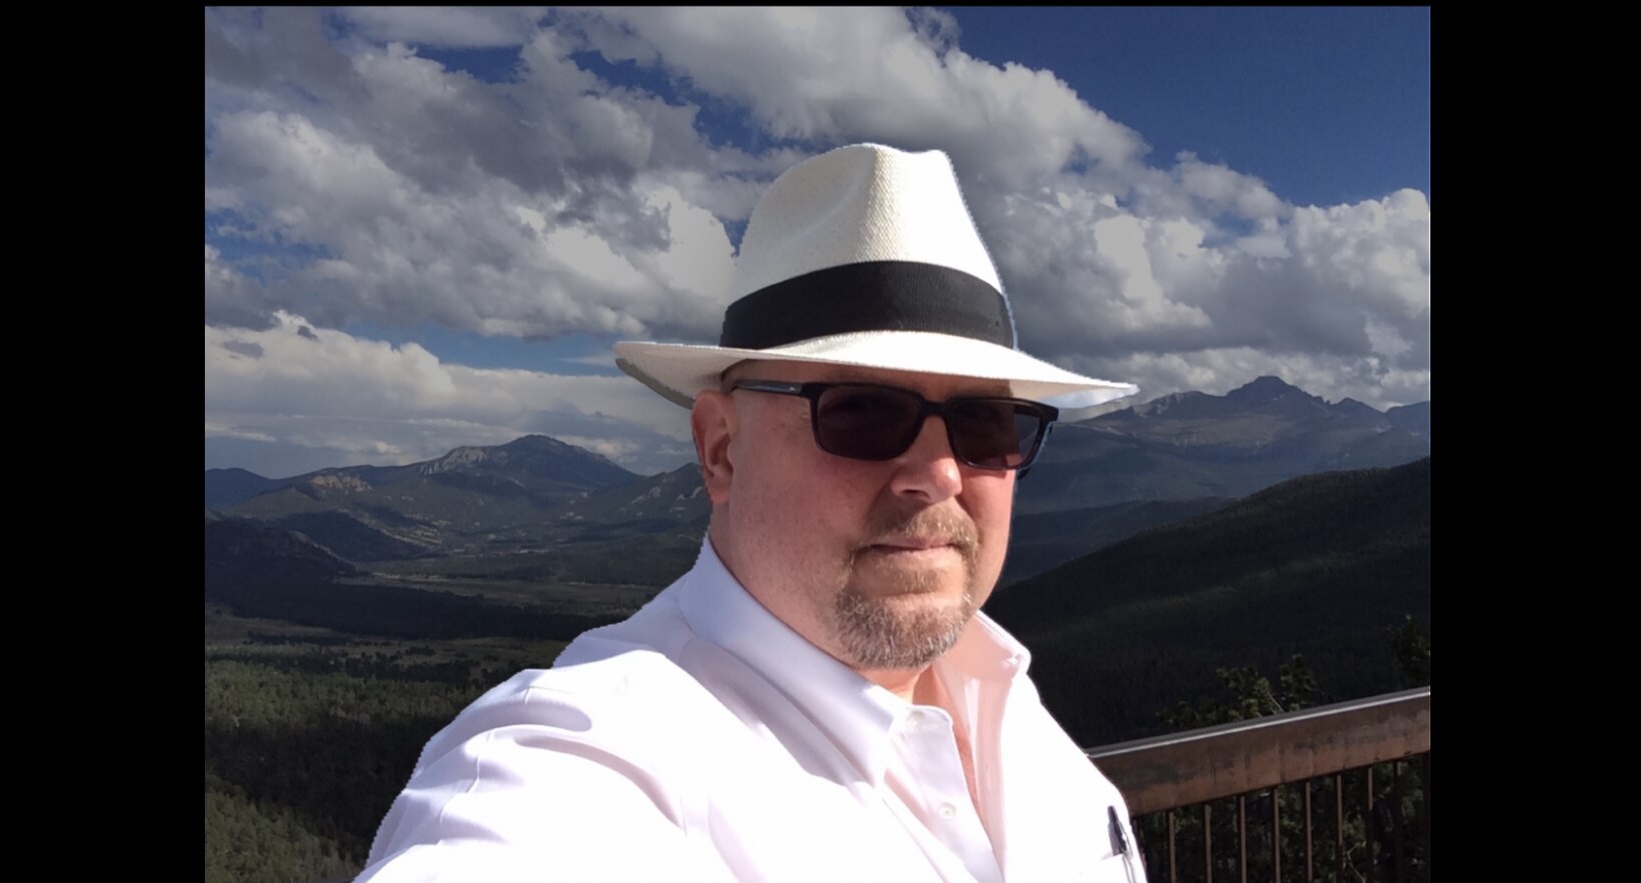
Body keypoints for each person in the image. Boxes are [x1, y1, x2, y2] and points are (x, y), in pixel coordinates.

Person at [358, 143, 1148, 882]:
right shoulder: (585, 757)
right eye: (863, 411)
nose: (939, 472)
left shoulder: (1007, 702)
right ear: (722, 449)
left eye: (985, 423)